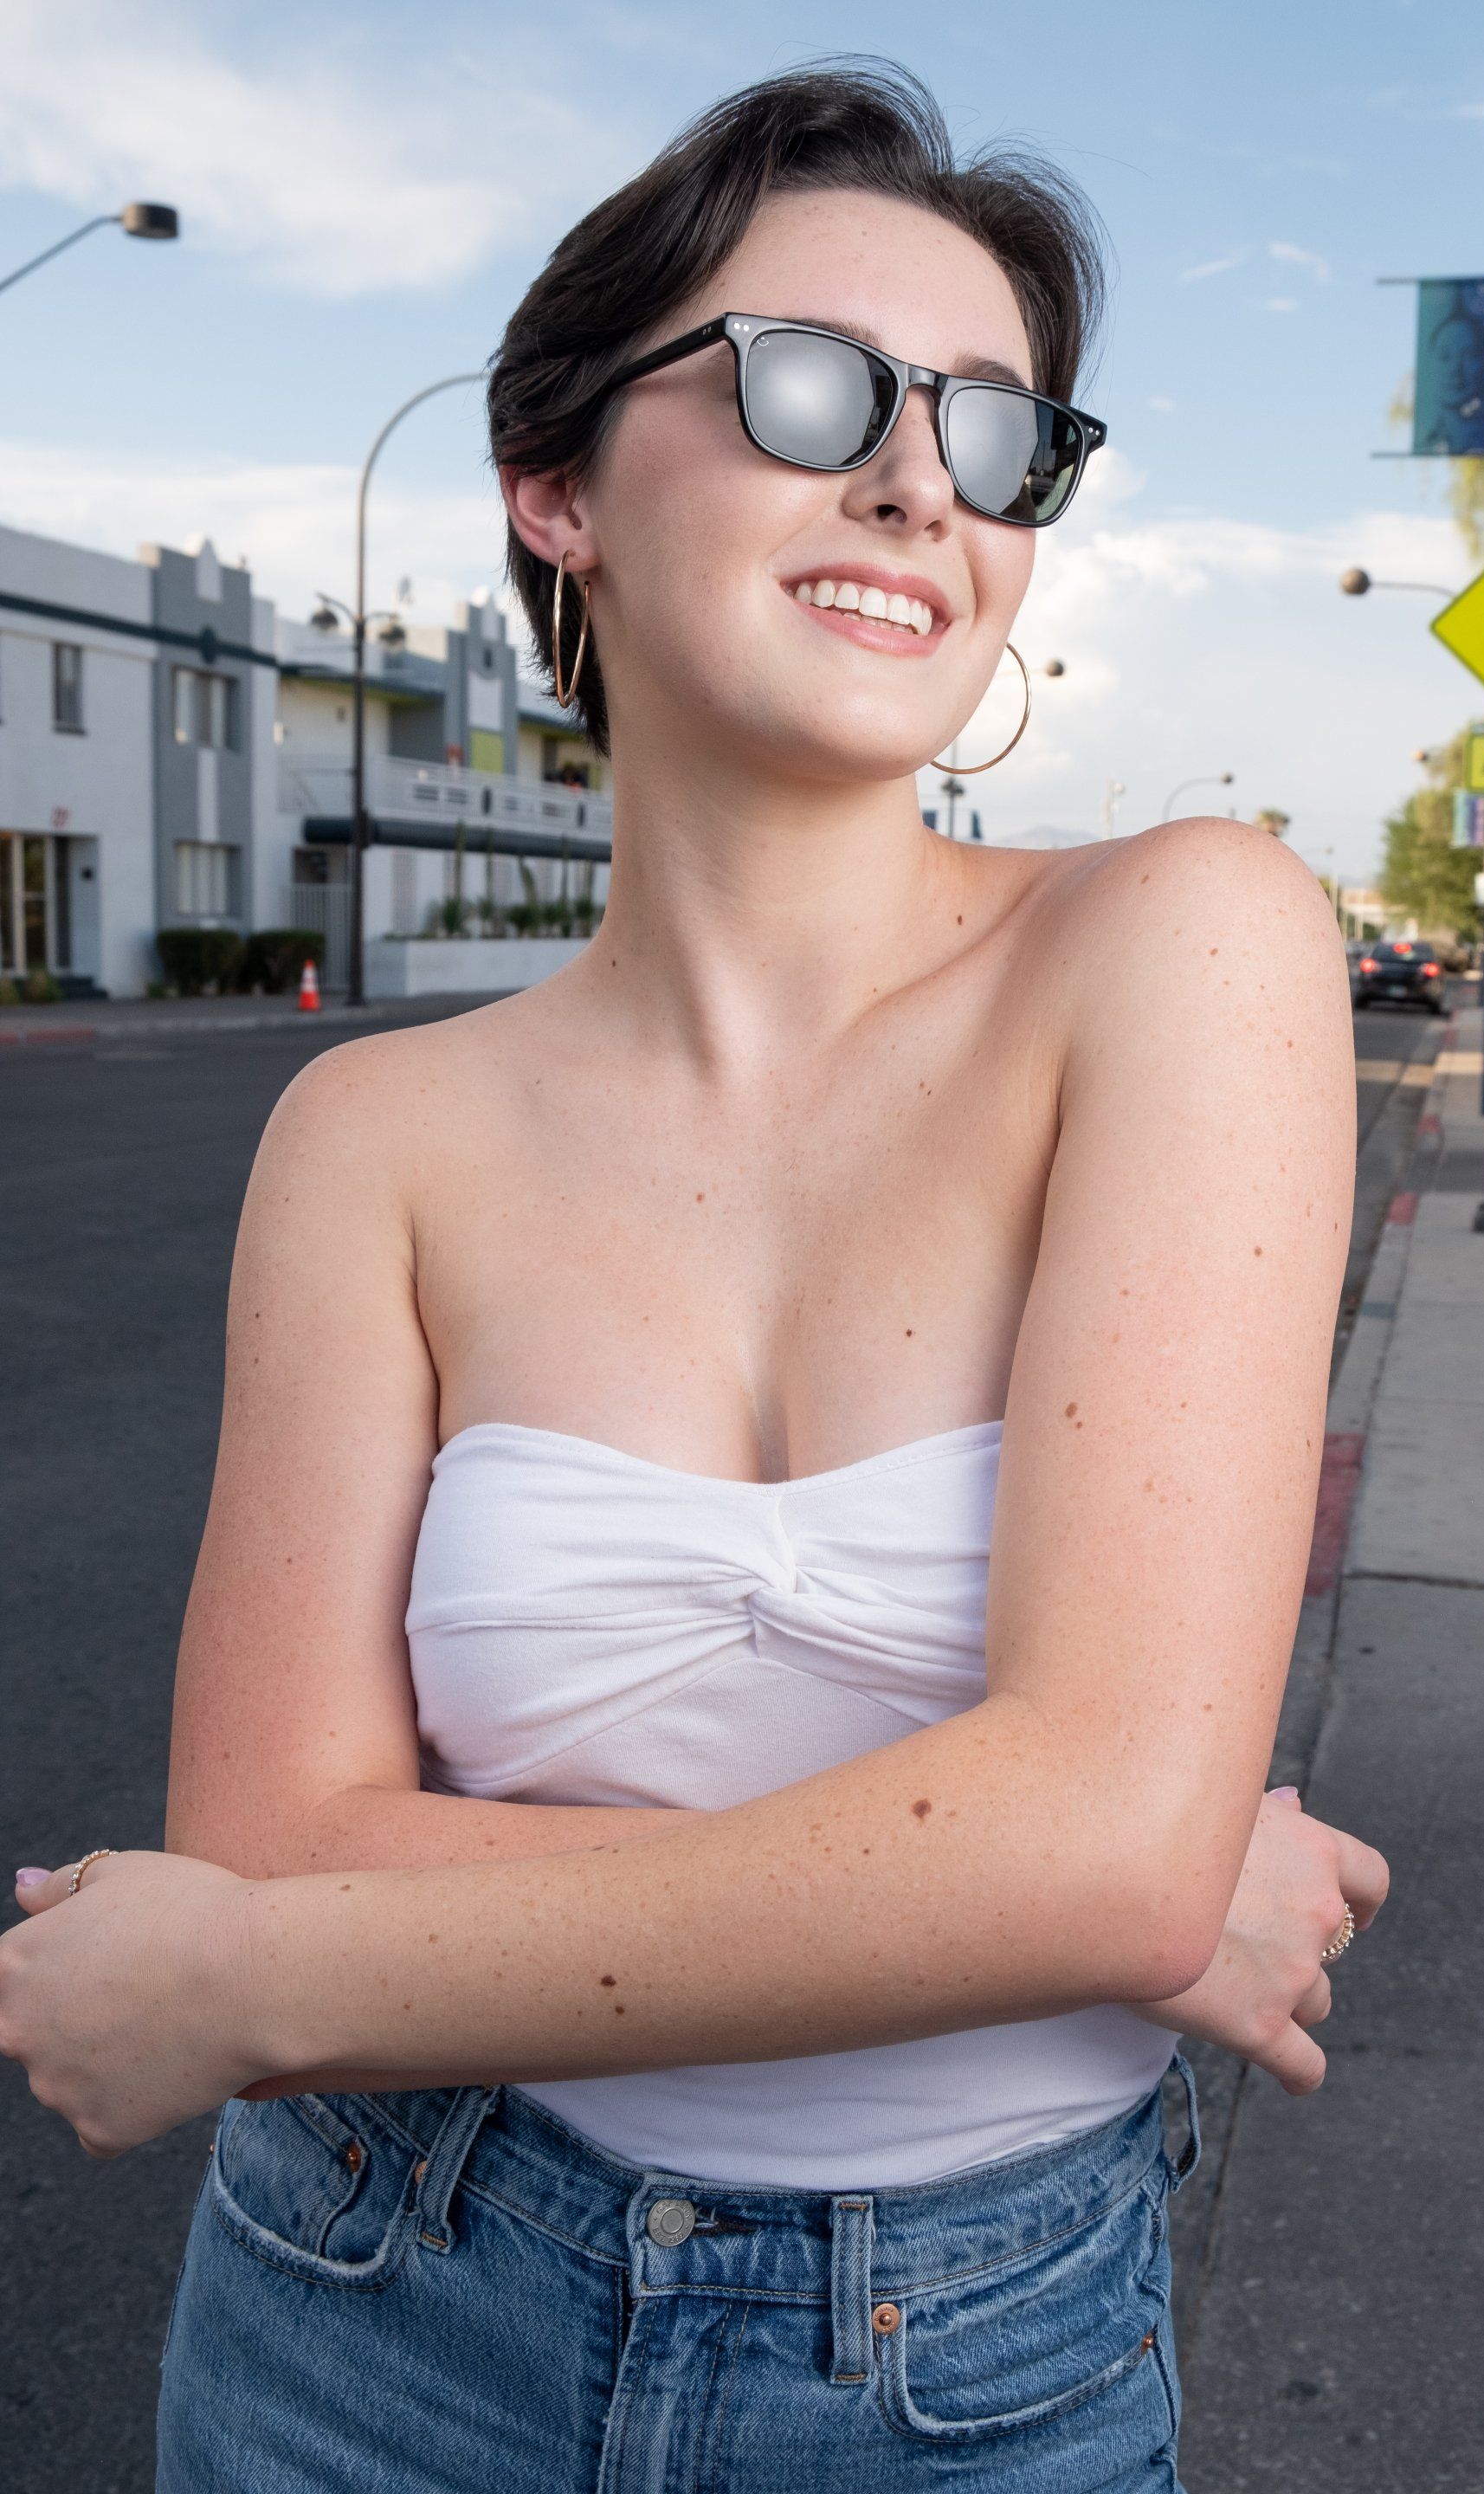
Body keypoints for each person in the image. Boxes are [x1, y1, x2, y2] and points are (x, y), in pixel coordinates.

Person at [0, 61, 1386, 2493]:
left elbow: (1100, 1833)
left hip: (971, 2365)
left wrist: (257, 1980)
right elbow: (275, 1817)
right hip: (366, 2304)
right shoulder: (374, 1133)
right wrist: (1068, 1889)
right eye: (812, 384)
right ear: (554, 490)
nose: (918, 482)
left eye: (994, 429)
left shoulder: (1187, 940)